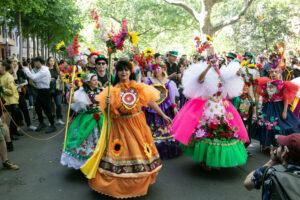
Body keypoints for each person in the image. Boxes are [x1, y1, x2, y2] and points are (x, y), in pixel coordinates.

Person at [80, 59, 171, 198]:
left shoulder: (138, 87)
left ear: (130, 72)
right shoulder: (112, 90)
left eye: (126, 70)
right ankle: (119, 185)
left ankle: (139, 182)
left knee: (139, 151)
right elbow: (109, 113)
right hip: (120, 127)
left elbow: (150, 102)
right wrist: (108, 104)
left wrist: (163, 115)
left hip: (137, 124)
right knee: (123, 152)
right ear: (117, 72)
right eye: (121, 70)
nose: (124, 72)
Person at [171, 55, 249, 169]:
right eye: (213, 62)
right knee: (206, 132)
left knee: (222, 131)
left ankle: (215, 160)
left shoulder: (223, 76)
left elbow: (232, 79)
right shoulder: (206, 75)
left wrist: (237, 74)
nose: (215, 65)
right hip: (208, 108)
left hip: (221, 107)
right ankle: (205, 159)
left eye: (216, 62)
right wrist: (208, 68)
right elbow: (199, 79)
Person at [252, 62, 300, 151]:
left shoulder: (283, 84)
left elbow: (286, 99)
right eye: (272, 72)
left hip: (279, 107)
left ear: (280, 72)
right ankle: (265, 143)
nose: (274, 74)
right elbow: (265, 95)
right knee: (266, 124)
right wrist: (264, 100)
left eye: (276, 72)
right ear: (269, 72)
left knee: (280, 125)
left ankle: (281, 144)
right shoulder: (267, 83)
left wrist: (285, 111)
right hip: (269, 107)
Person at [60, 74, 104, 169]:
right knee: (86, 138)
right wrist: (71, 90)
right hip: (87, 118)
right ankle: (86, 163)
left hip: (101, 117)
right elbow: (72, 100)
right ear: (88, 82)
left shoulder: (101, 90)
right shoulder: (83, 92)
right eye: (94, 80)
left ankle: (101, 161)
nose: (96, 82)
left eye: (97, 80)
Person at [244, 134, 300, 200]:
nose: (277, 148)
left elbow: (247, 184)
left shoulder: (272, 172)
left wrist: (271, 162)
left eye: (279, 146)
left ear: (284, 153)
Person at [144, 61, 181, 160]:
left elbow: (172, 97)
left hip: (166, 108)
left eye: (158, 68)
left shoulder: (169, 82)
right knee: (152, 129)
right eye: (154, 68)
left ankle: (165, 150)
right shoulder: (148, 80)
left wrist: (174, 107)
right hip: (152, 108)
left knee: (166, 129)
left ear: (163, 69)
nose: (156, 70)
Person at [23, 57, 56, 133]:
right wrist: (30, 70)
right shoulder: (41, 69)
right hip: (40, 91)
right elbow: (36, 78)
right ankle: (42, 123)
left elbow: (34, 78)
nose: (34, 64)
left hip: (45, 91)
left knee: (46, 109)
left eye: (35, 62)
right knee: (37, 107)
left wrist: (26, 69)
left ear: (38, 62)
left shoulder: (44, 70)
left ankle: (52, 125)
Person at [0, 60, 18, 151]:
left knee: (3, 123)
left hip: (8, 103)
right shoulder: (2, 76)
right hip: (3, 103)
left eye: (0, 65)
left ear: (4, 67)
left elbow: (11, 92)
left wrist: (1, 88)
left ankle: (9, 143)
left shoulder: (9, 77)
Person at [47, 57, 64, 125]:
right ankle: (51, 121)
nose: (52, 62)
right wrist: (48, 80)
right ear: (48, 62)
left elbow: (61, 81)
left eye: (53, 61)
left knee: (59, 104)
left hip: (56, 89)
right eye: (50, 61)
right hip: (48, 90)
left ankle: (58, 119)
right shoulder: (46, 70)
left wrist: (62, 89)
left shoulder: (57, 70)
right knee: (50, 106)